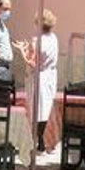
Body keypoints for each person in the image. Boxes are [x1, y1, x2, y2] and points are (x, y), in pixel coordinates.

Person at [18, 9, 58, 149]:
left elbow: (32, 63)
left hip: (38, 77)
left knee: (36, 109)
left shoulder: (37, 40)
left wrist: (22, 51)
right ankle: (43, 140)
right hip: (50, 76)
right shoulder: (54, 38)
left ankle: (37, 139)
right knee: (45, 109)